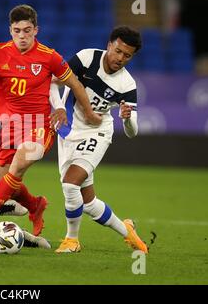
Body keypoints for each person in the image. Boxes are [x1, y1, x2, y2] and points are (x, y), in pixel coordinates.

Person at [0, 4, 102, 236]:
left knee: (18, 167)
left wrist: (90, 113)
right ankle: (35, 205)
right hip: (10, 128)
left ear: (36, 30)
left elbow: (74, 83)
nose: (22, 36)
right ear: (10, 30)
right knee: (8, 187)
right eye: (17, 30)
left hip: (39, 126)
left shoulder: (49, 57)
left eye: (27, 30)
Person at [50, 26, 148, 254]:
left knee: (69, 183)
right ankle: (127, 231)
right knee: (88, 204)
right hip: (68, 131)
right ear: (109, 45)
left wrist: (126, 120)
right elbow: (54, 81)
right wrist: (58, 106)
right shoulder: (86, 58)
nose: (121, 58)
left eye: (127, 55)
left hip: (97, 133)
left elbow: (133, 130)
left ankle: (71, 240)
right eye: (118, 51)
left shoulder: (127, 85)